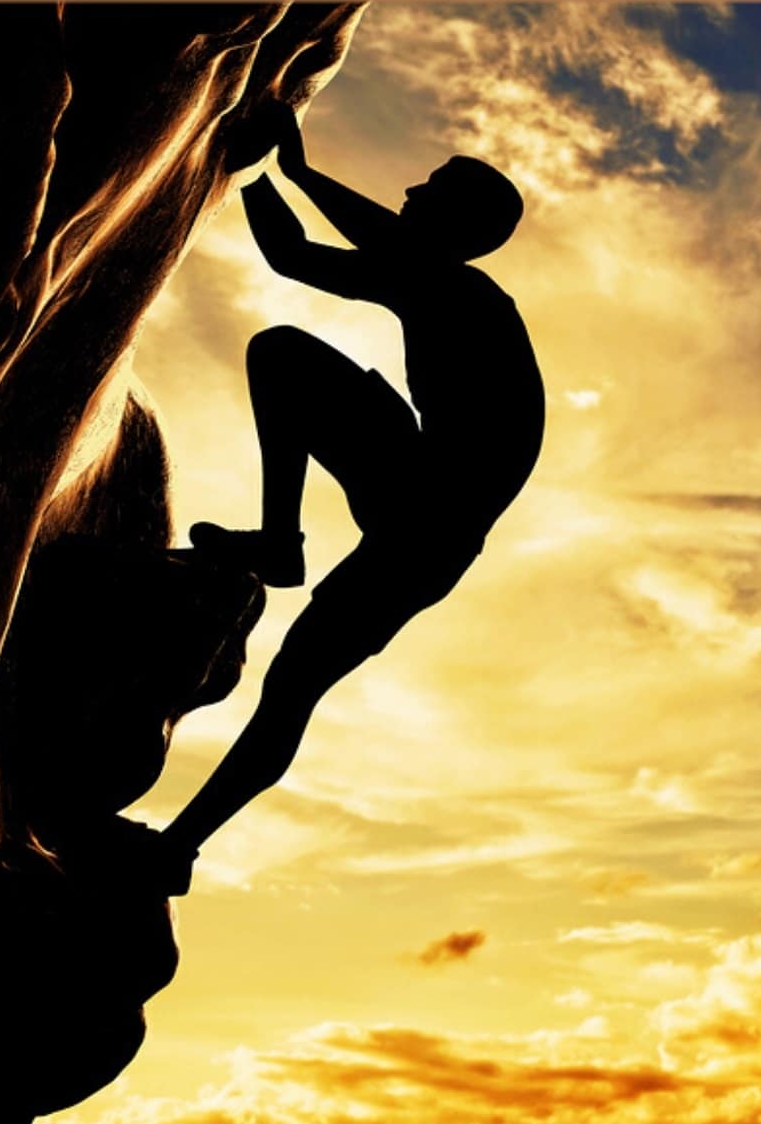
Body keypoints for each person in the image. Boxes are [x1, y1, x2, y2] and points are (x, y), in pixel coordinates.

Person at [158, 106, 544, 872]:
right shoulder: (434, 281)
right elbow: (303, 254)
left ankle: (176, 847)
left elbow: (334, 249)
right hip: (420, 500)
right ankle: (280, 541)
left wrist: (270, 171)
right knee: (282, 356)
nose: (407, 188)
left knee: (293, 685)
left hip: (428, 523)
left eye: (428, 187)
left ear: (456, 222)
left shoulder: (466, 296)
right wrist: (264, 175)